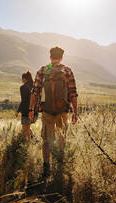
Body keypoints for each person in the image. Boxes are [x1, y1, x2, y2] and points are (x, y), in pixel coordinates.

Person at [29, 46, 78, 179]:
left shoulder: (43, 70)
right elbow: (73, 93)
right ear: (62, 57)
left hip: (47, 111)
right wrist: (75, 112)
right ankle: (60, 166)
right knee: (62, 138)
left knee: (46, 140)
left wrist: (31, 109)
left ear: (50, 57)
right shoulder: (67, 71)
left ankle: (46, 168)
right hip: (63, 112)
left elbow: (35, 91)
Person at [16, 71, 34, 137]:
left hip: (26, 111)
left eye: (22, 78)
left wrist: (18, 111)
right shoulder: (34, 86)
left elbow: (23, 101)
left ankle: (28, 143)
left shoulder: (23, 87)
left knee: (25, 129)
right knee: (27, 128)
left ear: (24, 79)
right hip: (34, 111)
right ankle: (34, 140)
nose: (22, 80)